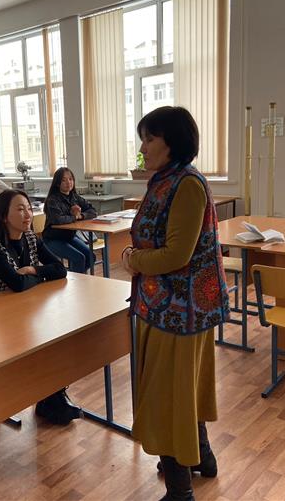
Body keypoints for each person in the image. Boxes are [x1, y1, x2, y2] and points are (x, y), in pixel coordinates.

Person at [122, 106, 229, 501]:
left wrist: (132, 260)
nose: (143, 148)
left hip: (180, 310)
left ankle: (180, 490)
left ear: (172, 141)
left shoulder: (187, 184)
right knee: (184, 390)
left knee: (167, 398)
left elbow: (176, 255)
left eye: (149, 139)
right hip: (167, 305)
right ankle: (200, 456)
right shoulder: (165, 179)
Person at [0, 189, 80, 425]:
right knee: (41, 342)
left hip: (24, 309)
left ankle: (52, 397)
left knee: (55, 338)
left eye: (29, 209)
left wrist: (33, 270)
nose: (28, 214)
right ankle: (48, 399)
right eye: (20, 209)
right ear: (4, 216)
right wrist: (38, 277)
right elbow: (17, 284)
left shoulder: (30, 238)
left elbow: (60, 270)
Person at [42, 167, 97, 273]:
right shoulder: (52, 200)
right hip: (53, 239)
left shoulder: (75, 197)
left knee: (91, 257)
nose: (68, 182)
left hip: (69, 236)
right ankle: (76, 279)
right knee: (79, 258)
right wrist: (74, 217)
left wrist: (81, 216)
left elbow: (93, 211)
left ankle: (78, 277)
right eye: (64, 180)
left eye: (70, 179)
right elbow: (58, 219)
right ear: (57, 183)